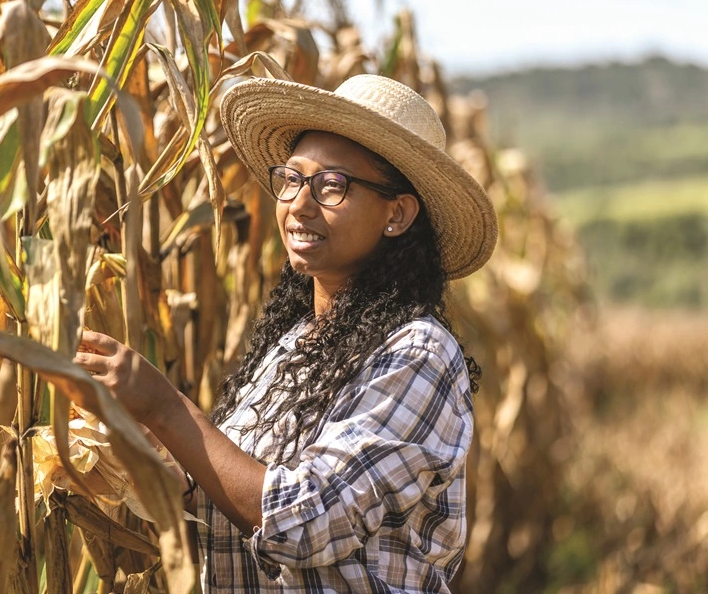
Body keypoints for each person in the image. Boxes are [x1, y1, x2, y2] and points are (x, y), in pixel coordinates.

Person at [73, 74, 498, 593]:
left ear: (397, 213)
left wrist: (164, 405)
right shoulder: (293, 346)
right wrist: (123, 427)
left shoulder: (419, 353)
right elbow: (222, 501)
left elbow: (305, 522)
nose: (299, 203)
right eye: (292, 179)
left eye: (332, 186)